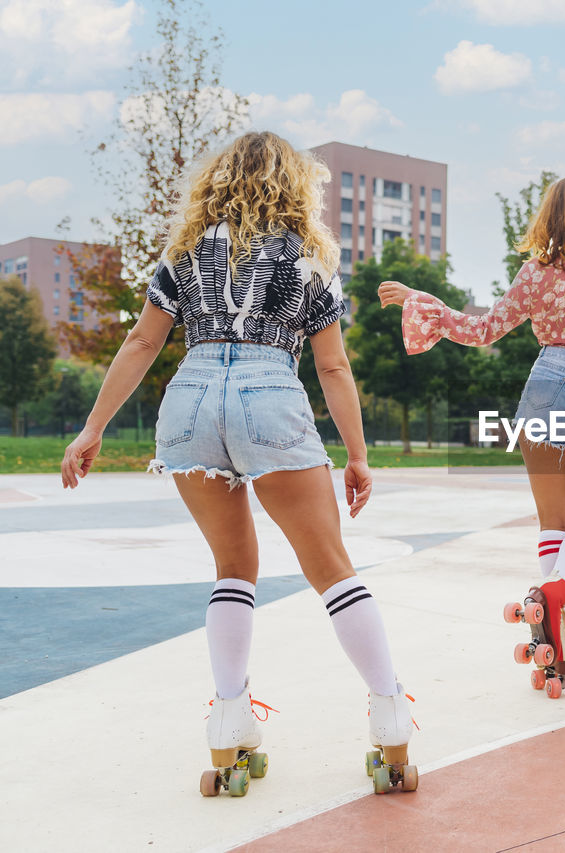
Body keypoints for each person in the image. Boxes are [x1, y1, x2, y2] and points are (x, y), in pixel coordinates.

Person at [61, 132, 416, 797]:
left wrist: (93, 426)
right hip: (269, 393)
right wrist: (358, 453)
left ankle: (229, 719)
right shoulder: (308, 256)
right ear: (293, 185)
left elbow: (143, 340)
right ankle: (389, 707)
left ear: (217, 181)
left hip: (190, 398)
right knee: (331, 567)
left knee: (233, 568)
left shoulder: (184, 251)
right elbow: (332, 364)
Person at [378, 175, 565, 698]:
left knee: (553, 522)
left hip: (547, 381)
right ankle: (553, 594)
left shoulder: (537, 272)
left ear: (549, 217)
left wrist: (423, 303)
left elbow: (483, 330)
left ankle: (552, 641)